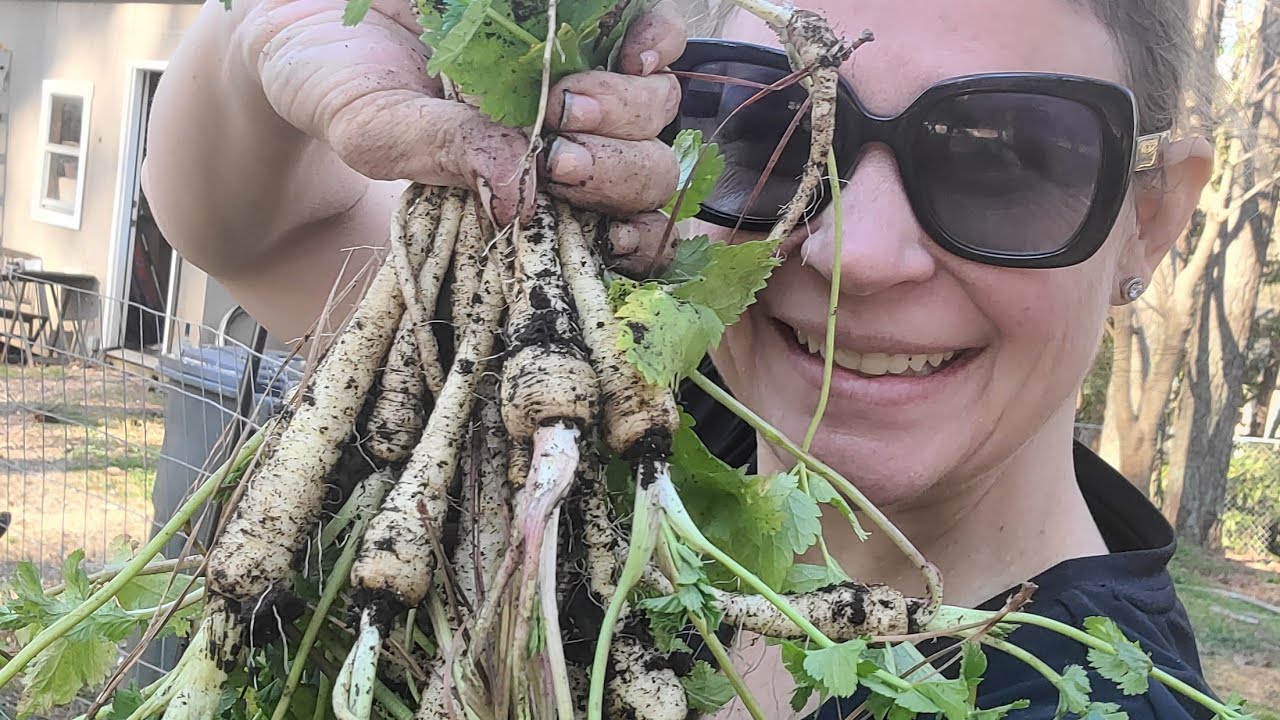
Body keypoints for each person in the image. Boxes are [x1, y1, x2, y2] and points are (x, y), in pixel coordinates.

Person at [141, 0, 1219, 718]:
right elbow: (248, 227)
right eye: (768, 131)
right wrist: (266, 39)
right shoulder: (646, 416)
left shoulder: (1081, 693)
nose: (858, 257)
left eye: (1003, 158)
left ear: (1149, 218)